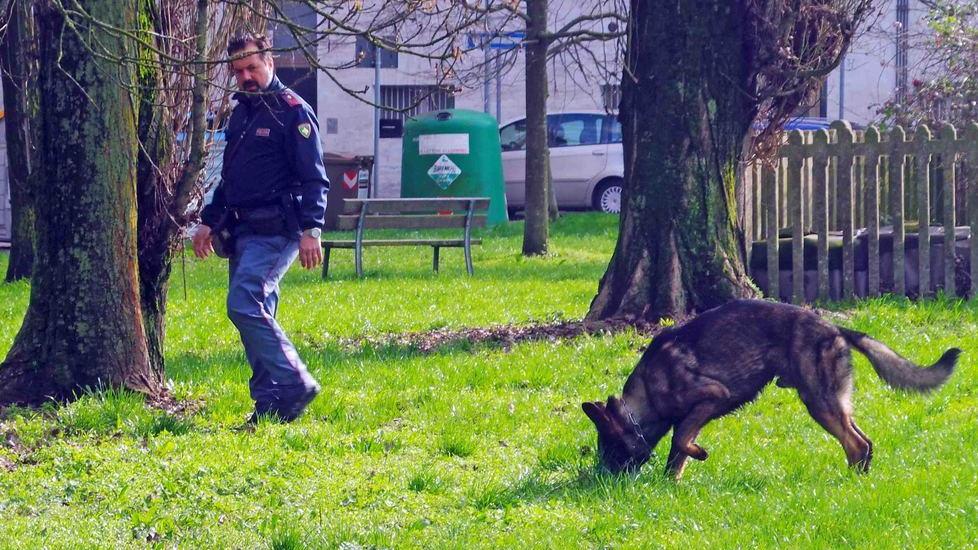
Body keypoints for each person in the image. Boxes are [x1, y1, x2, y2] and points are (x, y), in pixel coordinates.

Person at [193, 33, 328, 423]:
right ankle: (271, 405)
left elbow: (315, 179)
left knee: (243, 303)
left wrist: (312, 230)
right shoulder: (243, 112)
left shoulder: (293, 112)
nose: (246, 77)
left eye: (252, 67)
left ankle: (296, 382)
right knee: (256, 315)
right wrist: (207, 221)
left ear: (270, 62)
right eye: (238, 71)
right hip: (242, 231)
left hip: (279, 229)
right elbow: (231, 178)